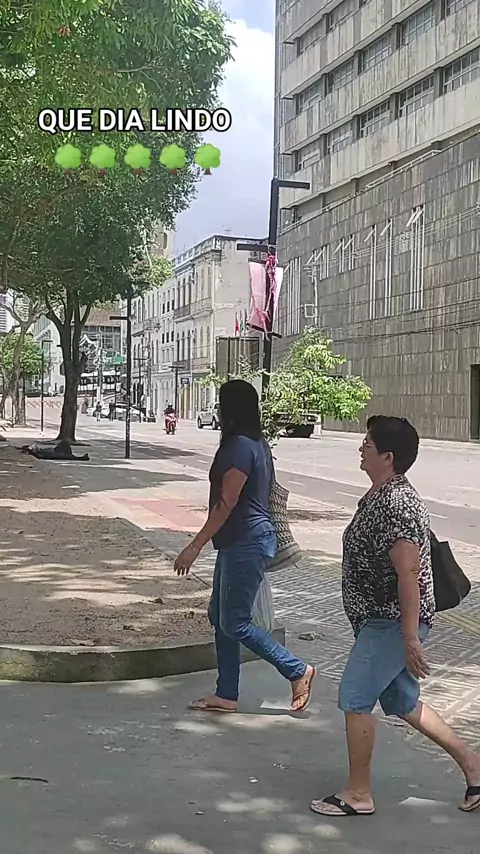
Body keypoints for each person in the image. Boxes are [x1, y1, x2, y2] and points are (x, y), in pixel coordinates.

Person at [310, 415, 480, 818]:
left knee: (355, 697)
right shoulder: (380, 494)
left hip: (390, 622)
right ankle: (474, 767)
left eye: (367, 445)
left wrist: (409, 637)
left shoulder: (397, 503)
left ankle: (359, 793)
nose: (361, 449)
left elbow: (409, 573)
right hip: (379, 620)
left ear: (387, 456)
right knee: (402, 700)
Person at [174, 379, 315, 713]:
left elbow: (227, 502)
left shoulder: (240, 446)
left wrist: (194, 546)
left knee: (235, 621)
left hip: (246, 541)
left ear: (231, 409)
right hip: (240, 541)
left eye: (221, 404)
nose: (218, 410)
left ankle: (296, 669)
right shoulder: (256, 443)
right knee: (220, 615)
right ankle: (226, 694)